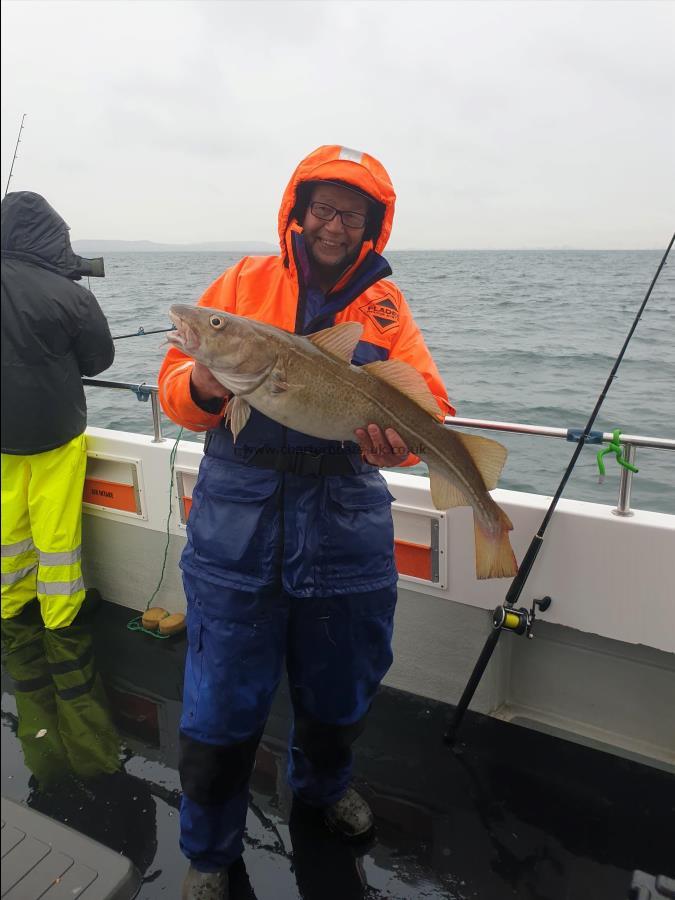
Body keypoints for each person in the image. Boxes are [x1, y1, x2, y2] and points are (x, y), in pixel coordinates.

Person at [158, 144, 454, 899]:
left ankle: (322, 795)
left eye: (351, 215)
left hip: (345, 519)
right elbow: (174, 395)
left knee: (340, 688)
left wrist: (403, 448)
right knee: (221, 699)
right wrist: (200, 375)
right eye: (323, 208)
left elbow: (430, 404)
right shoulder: (242, 283)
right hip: (237, 520)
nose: (333, 225)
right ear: (298, 209)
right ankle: (208, 851)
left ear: (371, 227)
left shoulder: (384, 306)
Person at [1, 191, 115, 630]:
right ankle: (61, 618)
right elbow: (98, 361)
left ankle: (11, 605)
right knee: (56, 531)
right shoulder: (71, 297)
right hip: (55, 431)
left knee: (9, 524)